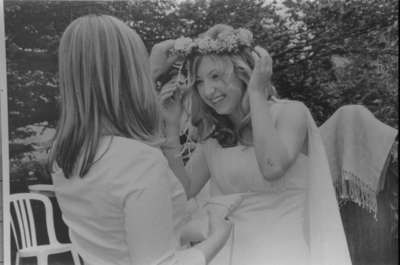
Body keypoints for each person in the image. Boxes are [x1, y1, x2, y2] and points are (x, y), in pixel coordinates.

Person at [151, 24, 352, 265]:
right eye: (200, 82)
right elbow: (184, 190)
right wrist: (171, 129)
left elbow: (272, 167)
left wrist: (257, 93)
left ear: (244, 72)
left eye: (215, 76)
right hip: (226, 255)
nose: (208, 91)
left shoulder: (290, 113)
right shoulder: (212, 134)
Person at [49, 15, 232, 265]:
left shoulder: (62, 155)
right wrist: (218, 238)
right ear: (131, 74)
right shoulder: (138, 160)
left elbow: (118, 234)